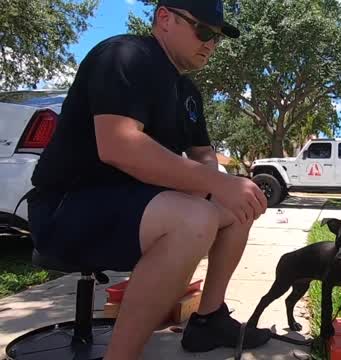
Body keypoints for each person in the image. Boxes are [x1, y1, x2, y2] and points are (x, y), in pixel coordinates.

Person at [27, 0, 272, 359]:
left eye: (217, 38)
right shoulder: (125, 56)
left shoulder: (187, 93)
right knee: (195, 218)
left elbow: (203, 154)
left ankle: (208, 320)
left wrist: (222, 184)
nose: (210, 43)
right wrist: (214, 185)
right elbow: (119, 145)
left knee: (238, 207)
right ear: (164, 18)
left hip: (132, 209)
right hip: (67, 208)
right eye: (202, 30)